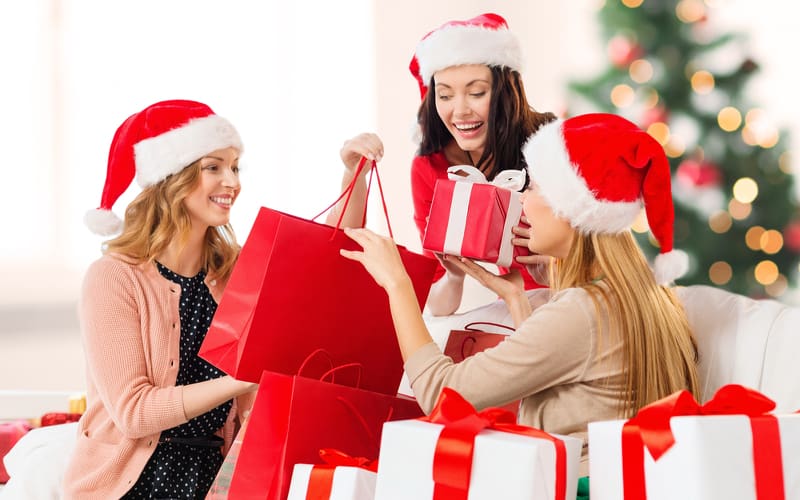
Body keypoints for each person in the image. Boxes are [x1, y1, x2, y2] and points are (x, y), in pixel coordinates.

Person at [341, 113, 700, 481]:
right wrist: (517, 298)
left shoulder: (582, 311)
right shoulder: (645, 296)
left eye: (535, 188)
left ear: (570, 210)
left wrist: (398, 285)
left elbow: (441, 394)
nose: (522, 201)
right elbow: (572, 380)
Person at [63, 100, 258, 499]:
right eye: (214, 167)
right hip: (130, 485)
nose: (232, 182)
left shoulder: (232, 275)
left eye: (235, 167)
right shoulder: (114, 277)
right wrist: (240, 379)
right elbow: (135, 412)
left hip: (214, 478)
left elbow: (314, 271)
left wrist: (352, 177)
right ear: (175, 178)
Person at [408, 13, 558, 315]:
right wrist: (454, 275)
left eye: (476, 93)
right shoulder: (430, 168)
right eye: (445, 95)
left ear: (505, 92)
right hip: (516, 313)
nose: (459, 111)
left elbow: (603, 266)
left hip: (570, 305)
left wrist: (557, 263)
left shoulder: (550, 147)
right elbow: (437, 304)